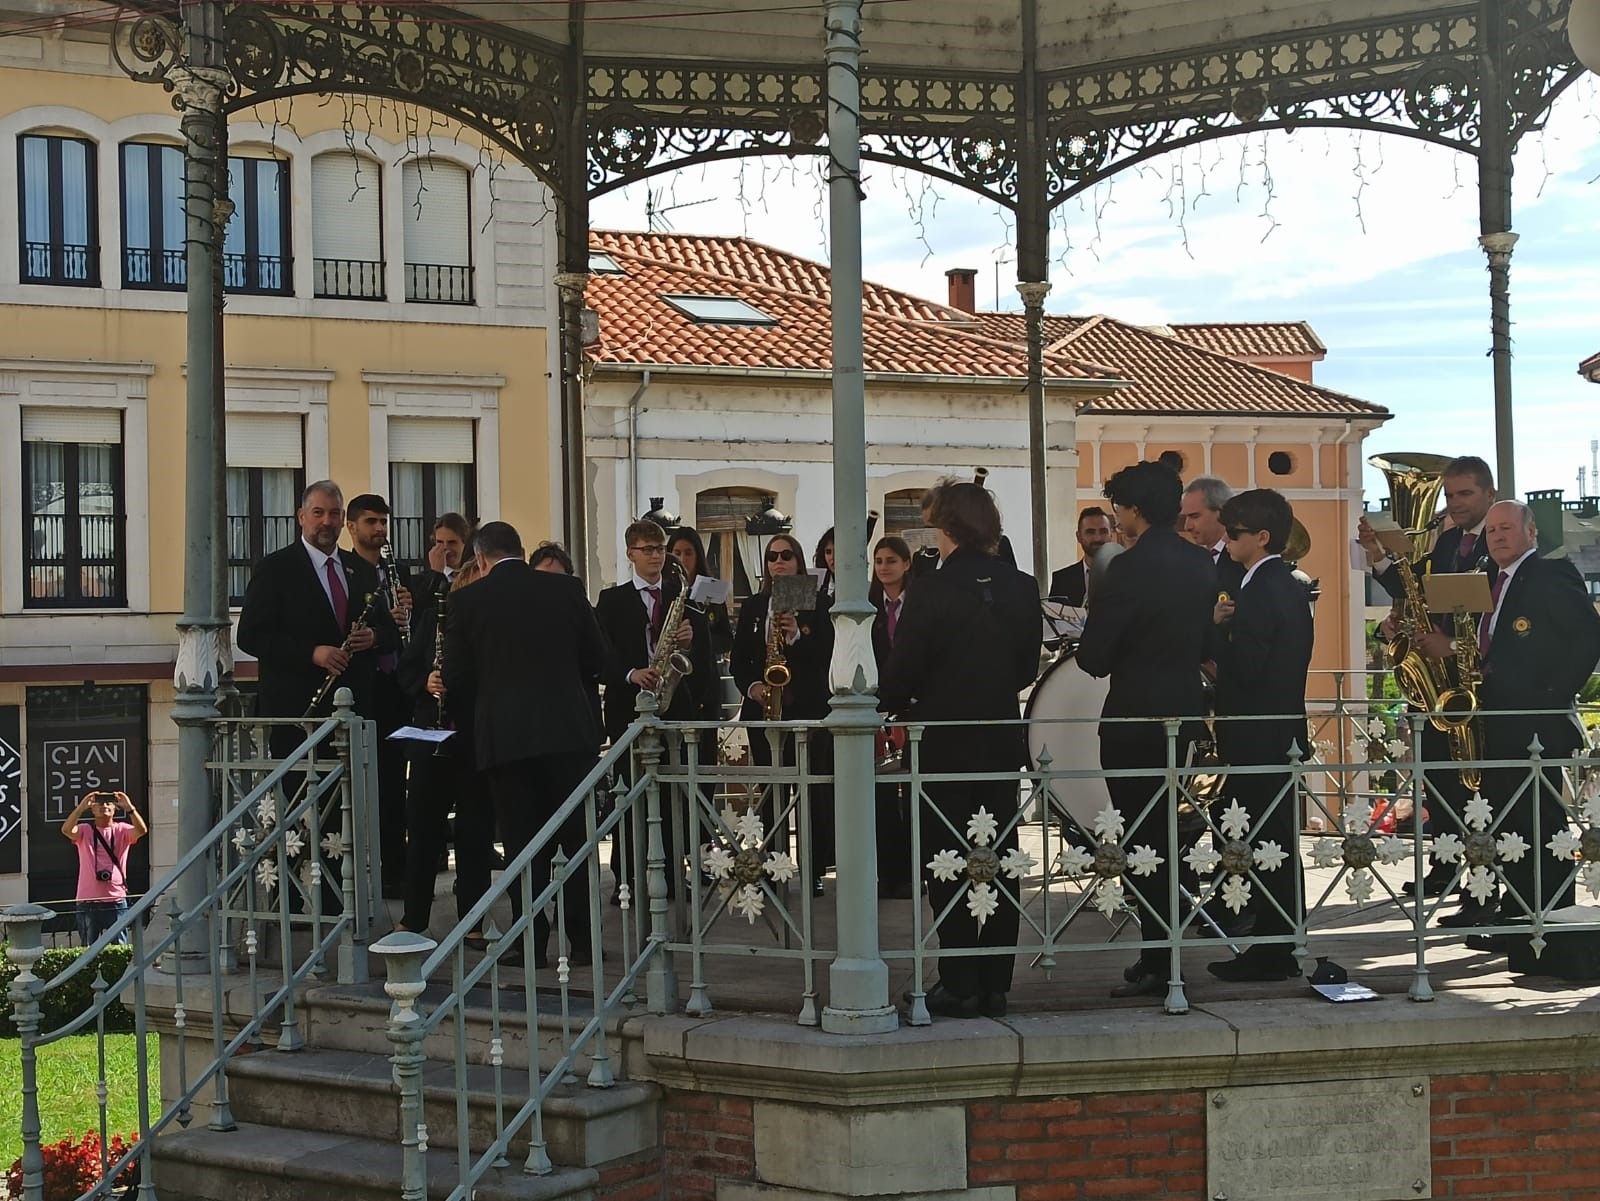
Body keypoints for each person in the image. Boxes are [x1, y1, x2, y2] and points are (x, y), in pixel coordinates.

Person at [880, 480, 1041, 1018]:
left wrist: (898, 699)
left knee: (945, 861)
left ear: (945, 526)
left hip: (943, 740)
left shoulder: (930, 588)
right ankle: (996, 979)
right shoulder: (1021, 585)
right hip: (998, 735)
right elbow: (1024, 667)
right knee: (999, 857)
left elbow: (902, 673)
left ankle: (960, 979)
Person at [1418, 500, 1600, 936]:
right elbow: (1487, 643)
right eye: (1492, 530)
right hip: (1493, 718)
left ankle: (1550, 923)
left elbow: (1589, 639)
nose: (1497, 536)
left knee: (1538, 824)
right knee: (1505, 823)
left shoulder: (1551, 574)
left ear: (1531, 533)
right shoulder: (1487, 578)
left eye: (1507, 528)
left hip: (1533, 721)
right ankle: (1514, 920)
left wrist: (1554, 696)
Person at [1075, 460, 1216, 1000]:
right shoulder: (1201, 562)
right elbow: (1204, 640)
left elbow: (1094, 659)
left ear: (1132, 510)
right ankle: (1168, 950)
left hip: (1135, 717)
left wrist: (1087, 636)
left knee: (1141, 838)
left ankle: (1159, 957)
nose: (1116, 519)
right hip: (1186, 708)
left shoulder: (1125, 569)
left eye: (1118, 509)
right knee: (1174, 834)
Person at [440, 520, 608, 967]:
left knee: (522, 845)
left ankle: (531, 942)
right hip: (569, 735)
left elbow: (456, 679)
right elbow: (598, 660)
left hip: (506, 739)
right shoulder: (567, 591)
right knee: (575, 842)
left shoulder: (466, 601)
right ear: (520, 549)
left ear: (480, 558)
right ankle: (584, 942)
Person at [1358, 455, 1495, 916]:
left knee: (1477, 790)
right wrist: (1379, 556)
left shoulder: (1498, 545)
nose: (1455, 503)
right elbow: (1416, 585)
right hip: (1440, 687)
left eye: (1465, 494)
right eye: (1450, 494)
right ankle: (1446, 864)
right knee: (1438, 782)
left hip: (1476, 686)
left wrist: (1451, 644)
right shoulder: (1449, 540)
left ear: (1489, 495)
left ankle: (1481, 883)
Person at [1205, 489, 1314, 983]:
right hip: (1279, 730)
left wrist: (1214, 639)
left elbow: (1247, 668)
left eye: (1234, 533)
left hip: (1258, 733)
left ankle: (1273, 951)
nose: (1226, 541)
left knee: (1268, 844)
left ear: (1262, 537)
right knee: (1277, 843)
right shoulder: (1289, 582)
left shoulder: (1261, 589)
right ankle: (1280, 943)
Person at [594, 520, 717, 895]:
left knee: (673, 795)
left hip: (675, 707)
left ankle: (673, 875)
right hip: (628, 709)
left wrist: (688, 641)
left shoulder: (683, 597)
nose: (656, 556)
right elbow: (600, 656)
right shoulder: (611, 600)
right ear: (630, 553)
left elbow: (705, 661)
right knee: (628, 795)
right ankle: (627, 878)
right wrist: (632, 674)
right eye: (647, 549)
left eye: (660, 548)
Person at [236, 480, 398, 756]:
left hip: (355, 715)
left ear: (343, 519)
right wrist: (312, 653)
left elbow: (391, 632)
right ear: (302, 517)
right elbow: (250, 636)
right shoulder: (275, 569)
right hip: (298, 717)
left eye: (334, 514)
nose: (327, 521)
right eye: (318, 513)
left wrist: (373, 637)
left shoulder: (362, 569)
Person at [395, 556, 496, 938]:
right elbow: (406, 670)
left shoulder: (489, 630)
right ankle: (413, 917)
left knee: (475, 834)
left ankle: (472, 921)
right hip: (431, 739)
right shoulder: (432, 621)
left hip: (472, 739)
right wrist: (427, 681)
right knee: (422, 832)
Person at [730, 531, 834, 892]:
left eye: (786, 556)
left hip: (806, 709)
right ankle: (775, 868)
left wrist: (796, 638)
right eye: (773, 557)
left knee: (811, 794)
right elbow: (740, 657)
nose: (779, 562)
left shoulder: (817, 602)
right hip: (764, 712)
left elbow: (826, 657)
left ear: (798, 561)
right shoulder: (755, 607)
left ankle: (814, 869)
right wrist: (752, 687)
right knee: (773, 792)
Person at [345, 493, 412, 899]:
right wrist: (388, 625)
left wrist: (410, 610)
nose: (379, 530)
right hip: (365, 687)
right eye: (371, 522)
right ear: (352, 527)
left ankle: (396, 867)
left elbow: (409, 631)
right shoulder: (347, 570)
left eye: (384, 522)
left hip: (397, 686)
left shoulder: (397, 571)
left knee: (393, 783)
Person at [869, 535, 915, 898]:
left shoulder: (920, 603)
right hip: (878, 706)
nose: (884, 567)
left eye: (891, 560)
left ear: (906, 564)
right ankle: (889, 873)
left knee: (913, 793)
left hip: (913, 706)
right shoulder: (868, 604)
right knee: (882, 796)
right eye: (879, 561)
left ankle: (916, 872)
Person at [62, 790, 146, 946]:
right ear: (92, 810)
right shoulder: (85, 830)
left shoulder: (121, 829)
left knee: (119, 947)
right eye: (99, 804)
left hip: (115, 899)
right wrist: (80, 808)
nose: (104, 806)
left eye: (108, 803)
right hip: (88, 900)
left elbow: (141, 831)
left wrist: (130, 808)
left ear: (115, 810)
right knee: (87, 948)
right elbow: (67, 830)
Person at [667, 526, 733, 663]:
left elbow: (726, 639)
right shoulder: (663, 589)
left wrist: (697, 641)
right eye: (677, 553)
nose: (682, 559)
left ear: (698, 556)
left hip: (705, 668)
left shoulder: (711, 588)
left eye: (688, 553)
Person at [1181, 477, 1243, 595]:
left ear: (1222, 512)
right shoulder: (1193, 560)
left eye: (1194, 516)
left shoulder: (1241, 558)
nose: (1187, 526)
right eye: (1185, 518)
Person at [1048, 507, 1115, 606]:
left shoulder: (1127, 576)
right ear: (1079, 537)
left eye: (1103, 531)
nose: (1097, 538)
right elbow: (1054, 620)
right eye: (1090, 532)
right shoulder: (1062, 579)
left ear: (1111, 535)